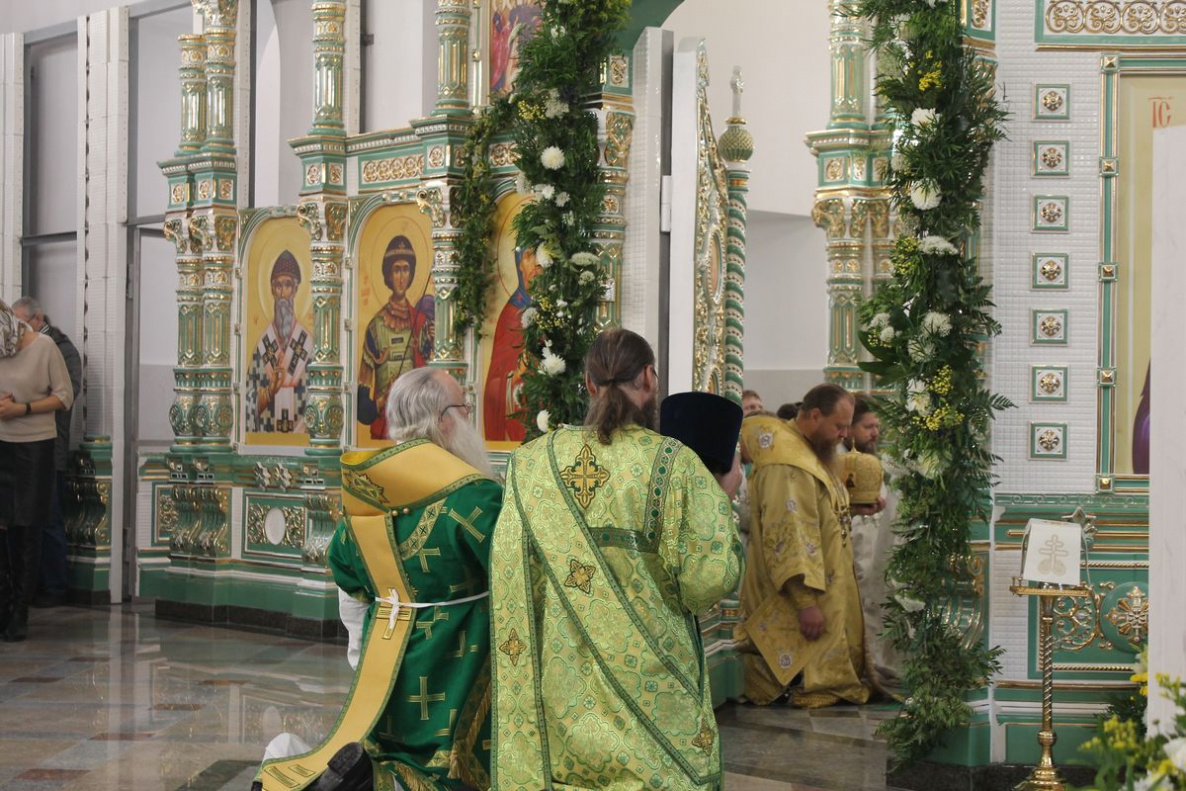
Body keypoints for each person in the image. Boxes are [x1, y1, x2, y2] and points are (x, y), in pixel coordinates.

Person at [490, 328, 743, 791]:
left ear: (587, 383)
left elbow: (513, 578)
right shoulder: (674, 464)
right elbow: (707, 580)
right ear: (649, 379)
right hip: (654, 681)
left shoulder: (531, 464)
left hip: (564, 681)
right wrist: (719, 504)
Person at [254, 366, 501, 791]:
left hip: (384, 665)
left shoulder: (366, 496)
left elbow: (348, 582)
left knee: (385, 749)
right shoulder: (474, 496)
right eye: (464, 408)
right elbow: (515, 576)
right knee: (446, 768)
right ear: (443, 420)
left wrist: (364, 658)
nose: (468, 418)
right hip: (456, 665)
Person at [738, 383, 870, 708]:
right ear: (814, 416)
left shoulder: (809, 450)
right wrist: (804, 603)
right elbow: (788, 535)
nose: (844, 435)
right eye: (838, 426)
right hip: (802, 592)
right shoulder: (788, 464)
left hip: (828, 580)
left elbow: (821, 512)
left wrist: (855, 508)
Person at [0, 300, 74, 642]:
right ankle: (3, 604)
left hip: (35, 446)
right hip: (2, 444)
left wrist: (22, 409)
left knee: (26, 529)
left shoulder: (44, 347)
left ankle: (20, 611)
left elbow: (64, 396)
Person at [12, 297, 82, 608]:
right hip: (19, 447)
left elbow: (66, 396)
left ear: (38, 319)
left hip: (48, 447)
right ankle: (30, 584)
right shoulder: (16, 351)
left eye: (22, 324)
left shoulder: (61, 351)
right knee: (23, 521)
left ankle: (54, 585)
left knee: (49, 519)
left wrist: (23, 406)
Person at [843, 394, 902, 690]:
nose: (875, 433)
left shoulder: (875, 464)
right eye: (868, 426)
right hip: (849, 545)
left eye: (877, 426)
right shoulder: (838, 464)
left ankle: (876, 665)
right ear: (849, 429)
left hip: (874, 546)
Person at [357, 236, 434, 440]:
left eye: (406, 269)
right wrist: (382, 400)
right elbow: (361, 408)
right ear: (388, 275)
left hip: (419, 427)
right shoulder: (375, 328)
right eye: (396, 269)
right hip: (386, 429)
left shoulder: (422, 323)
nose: (401, 277)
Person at [247, 251, 314, 433]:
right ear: (271, 289)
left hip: (303, 437)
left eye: (287, 285)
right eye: (278, 286)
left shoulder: (307, 345)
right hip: (267, 437)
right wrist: (269, 391)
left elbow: (318, 394)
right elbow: (246, 397)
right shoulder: (263, 346)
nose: (282, 293)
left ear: (296, 289)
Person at [483, 246, 542, 442]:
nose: (535, 263)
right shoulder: (510, 315)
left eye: (540, 255)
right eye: (528, 256)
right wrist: (516, 374)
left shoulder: (556, 311)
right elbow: (493, 382)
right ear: (519, 265)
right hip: (519, 415)